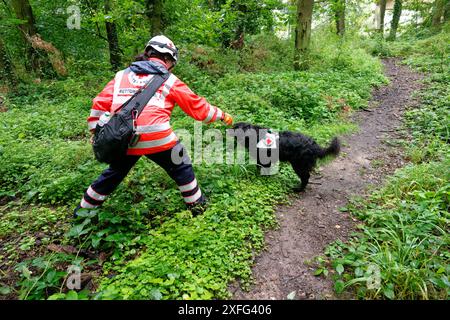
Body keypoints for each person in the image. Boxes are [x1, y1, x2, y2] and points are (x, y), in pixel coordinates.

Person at [74, 35, 233, 217]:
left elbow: (99, 104)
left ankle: (83, 212)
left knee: (114, 173)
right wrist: (221, 115)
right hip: (158, 138)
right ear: (168, 59)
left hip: (124, 137)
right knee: (181, 166)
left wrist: (95, 131)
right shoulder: (170, 80)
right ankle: (197, 207)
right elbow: (197, 107)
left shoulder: (120, 76)